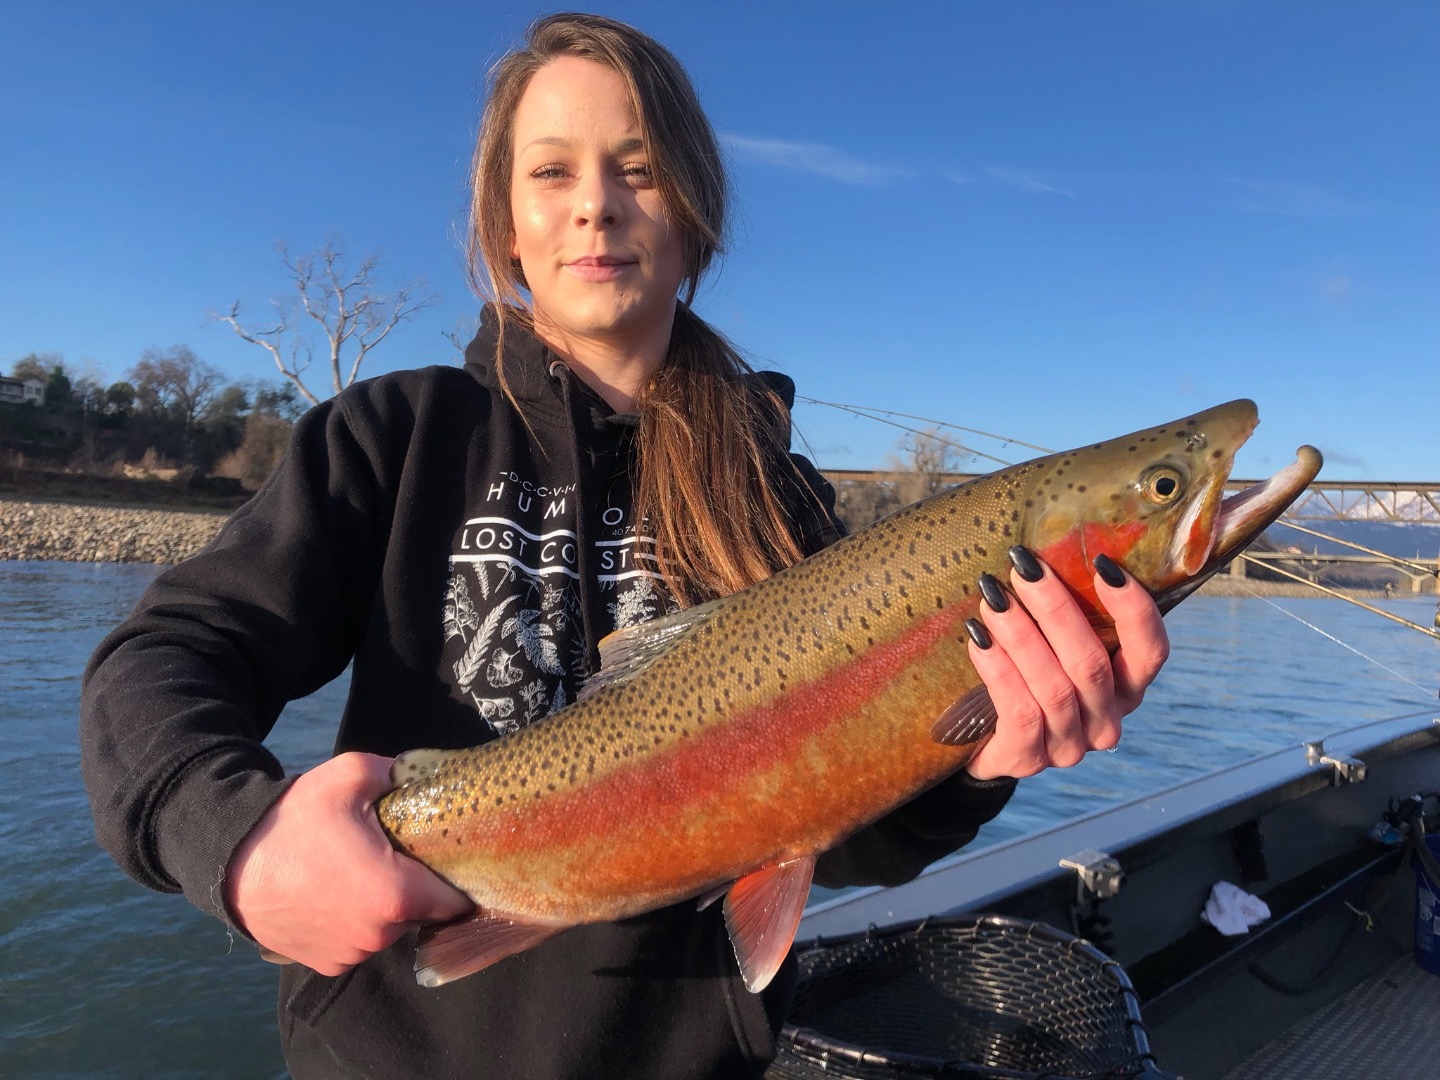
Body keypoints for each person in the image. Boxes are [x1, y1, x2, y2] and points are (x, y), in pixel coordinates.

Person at [80, 13, 1170, 1080]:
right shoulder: (390, 438)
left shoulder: (777, 497)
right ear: (503, 226)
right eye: (551, 172)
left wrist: (977, 760)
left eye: (638, 170)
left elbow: (850, 847)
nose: (596, 206)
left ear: (696, 217)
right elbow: (163, 658)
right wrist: (237, 842)